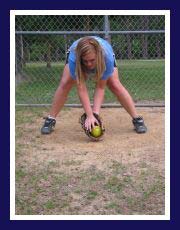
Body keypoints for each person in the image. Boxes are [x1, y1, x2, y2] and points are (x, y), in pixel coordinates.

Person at [41, 36, 147, 134]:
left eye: (92, 60)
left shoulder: (107, 58)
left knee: (114, 84)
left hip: (105, 53)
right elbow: (81, 88)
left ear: (98, 55)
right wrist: (89, 115)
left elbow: (100, 87)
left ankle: (137, 119)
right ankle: (51, 118)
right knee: (65, 83)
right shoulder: (74, 59)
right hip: (76, 51)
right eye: (85, 61)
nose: (89, 64)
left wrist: (95, 115)